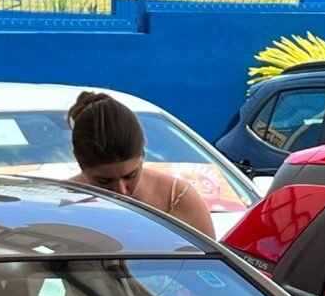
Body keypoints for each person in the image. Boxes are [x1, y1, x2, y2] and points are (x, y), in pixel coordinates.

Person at [68, 91, 215, 238]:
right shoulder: (63, 201)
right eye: (104, 181)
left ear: (143, 152)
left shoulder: (178, 198)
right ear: (79, 162)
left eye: (130, 175)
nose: (121, 190)